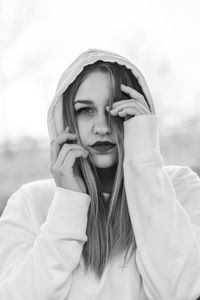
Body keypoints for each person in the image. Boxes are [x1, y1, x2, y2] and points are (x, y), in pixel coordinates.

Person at [0, 48, 200, 300]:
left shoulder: (179, 187)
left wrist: (144, 164)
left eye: (117, 109)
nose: (103, 127)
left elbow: (182, 290)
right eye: (85, 110)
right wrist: (69, 201)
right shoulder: (30, 203)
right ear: (66, 121)